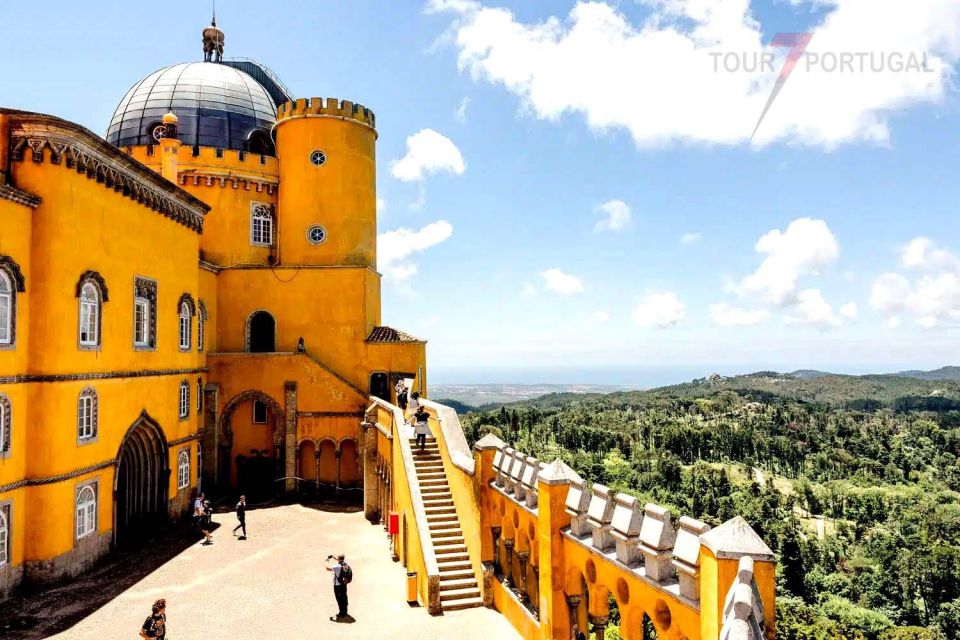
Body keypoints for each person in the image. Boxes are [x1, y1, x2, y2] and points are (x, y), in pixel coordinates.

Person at [325, 553, 351, 620]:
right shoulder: (345, 564)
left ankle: (341, 614)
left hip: (337, 585)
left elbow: (327, 568)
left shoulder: (336, 567)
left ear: (339, 559)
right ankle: (345, 612)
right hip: (343, 584)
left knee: (339, 599)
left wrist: (326, 561)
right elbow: (340, 561)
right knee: (344, 598)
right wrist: (334, 557)